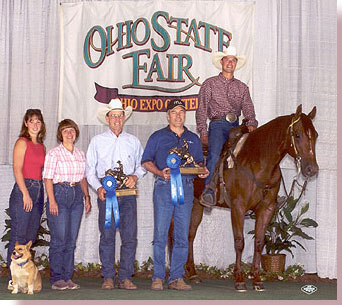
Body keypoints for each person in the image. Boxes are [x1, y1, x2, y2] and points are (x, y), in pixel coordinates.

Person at [141, 99, 209, 291]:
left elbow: (198, 164)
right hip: (164, 186)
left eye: (182, 111)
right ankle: (158, 276)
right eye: (174, 112)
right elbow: (146, 161)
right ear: (168, 115)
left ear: (185, 115)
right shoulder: (157, 137)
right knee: (160, 233)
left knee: (181, 234)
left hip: (186, 188)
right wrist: (159, 172)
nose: (178, 115)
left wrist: (203, 171)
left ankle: (176, 277)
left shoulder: (193, 138)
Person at [86, 98, 146, 290]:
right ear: (107, 118)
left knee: (129, 236)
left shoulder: (133, 141)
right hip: (107, 194)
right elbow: (89, 170)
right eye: (113, 116)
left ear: (124, 118)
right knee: (107, 235)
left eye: (120, 116)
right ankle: (109, 277)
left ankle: (126, 277)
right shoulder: (97, 141)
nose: (117, 119)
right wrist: (99, 187)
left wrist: (135, 176)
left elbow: (142, 165)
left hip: (128, 194)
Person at [196, 45, 258, 207]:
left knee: (252, 154)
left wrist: (251, 123)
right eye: (227, 60)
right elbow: (201, 109)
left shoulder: (242, 88)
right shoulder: (209, 84)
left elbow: (248, 108)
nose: (230, 63)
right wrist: (203, 131)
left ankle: (255, 190)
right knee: (215, 154)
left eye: (233, 60)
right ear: (222, 62)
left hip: (236, 126)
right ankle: (209, 190)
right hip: (217, 125)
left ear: (236, 63)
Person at [43, 119, 91, 290]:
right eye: (65, 131)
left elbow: (83, 177)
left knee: (71, 240)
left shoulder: (80, 154)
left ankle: (67, 277)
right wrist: (52, 201)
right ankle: (57, 278)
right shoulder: (54, 154)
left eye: (71, 130)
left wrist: (86, 197)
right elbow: (47, 178)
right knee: (59, 239)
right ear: (60, 135)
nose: (69, 134)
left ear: (76, 133)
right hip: (59, 193)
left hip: (76, 194)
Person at [7, 109, 46, 290]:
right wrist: (24, 193)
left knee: (29, 238)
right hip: (25, 189)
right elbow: (17, 169)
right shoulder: (22, 142)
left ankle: (24, 279)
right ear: (26, 123)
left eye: (38, 121)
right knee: (18, 236)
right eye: (32, 121)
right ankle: (12, 279)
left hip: (38, 190)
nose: (35, 124)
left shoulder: (42, 146)